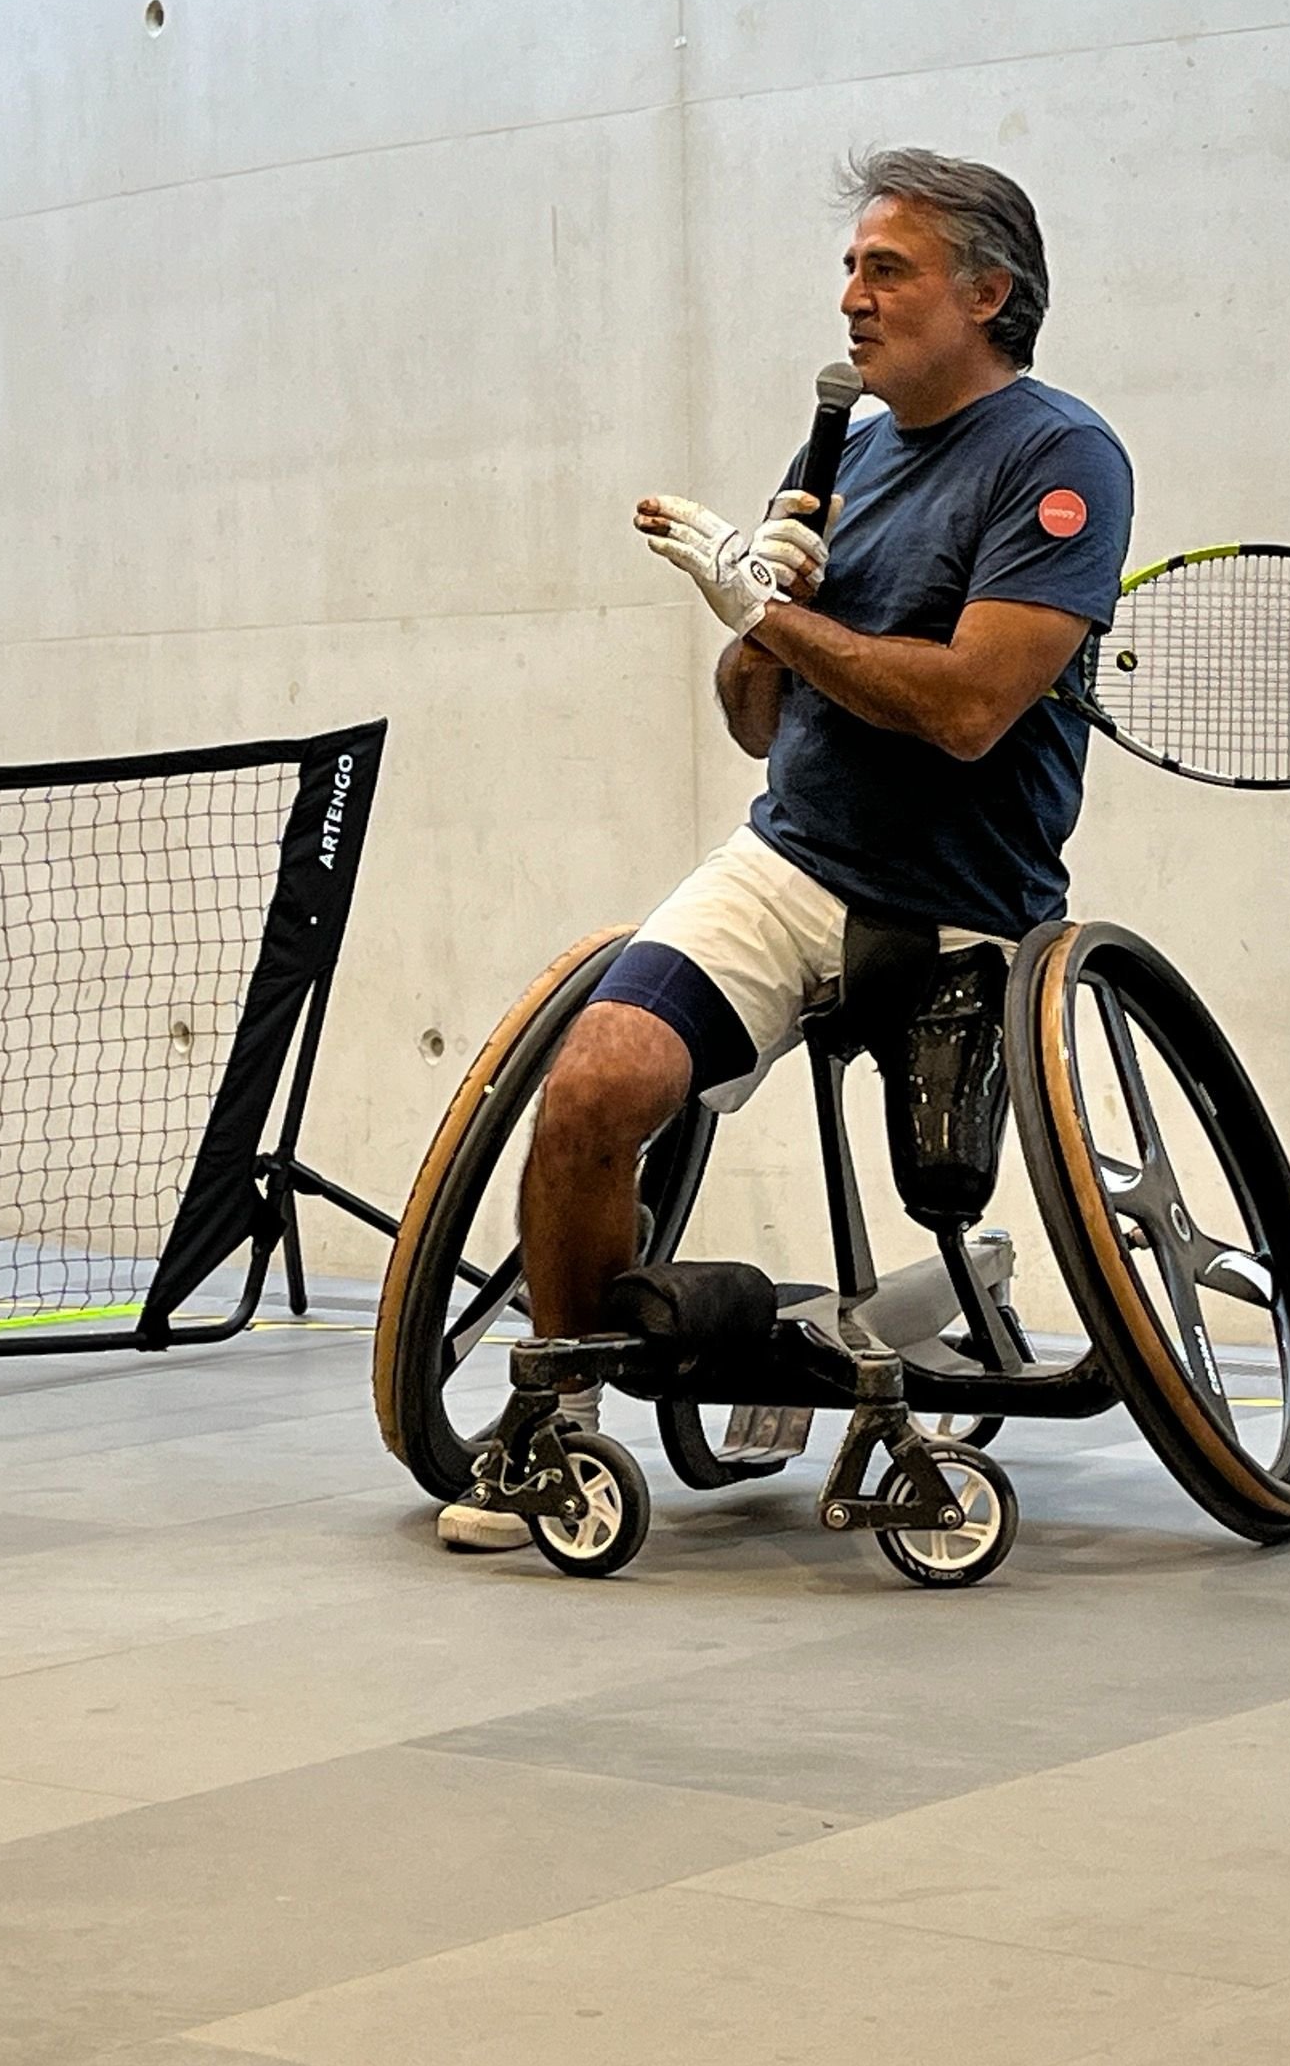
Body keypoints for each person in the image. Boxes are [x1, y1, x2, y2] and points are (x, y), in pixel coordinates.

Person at [442, 147, 1134, 1549]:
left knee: (943, 1184)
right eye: (850, 268)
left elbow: (968, 710)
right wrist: (758, 616)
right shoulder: (846, 450)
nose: (853, 299)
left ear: (989, 293)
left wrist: (773, 613)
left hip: (961, 905)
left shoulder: (1060, 459)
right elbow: (758, 725)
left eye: (889, 269)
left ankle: (959, 1276)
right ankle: (559, 1428)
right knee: (591, 1090)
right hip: (788, 865)